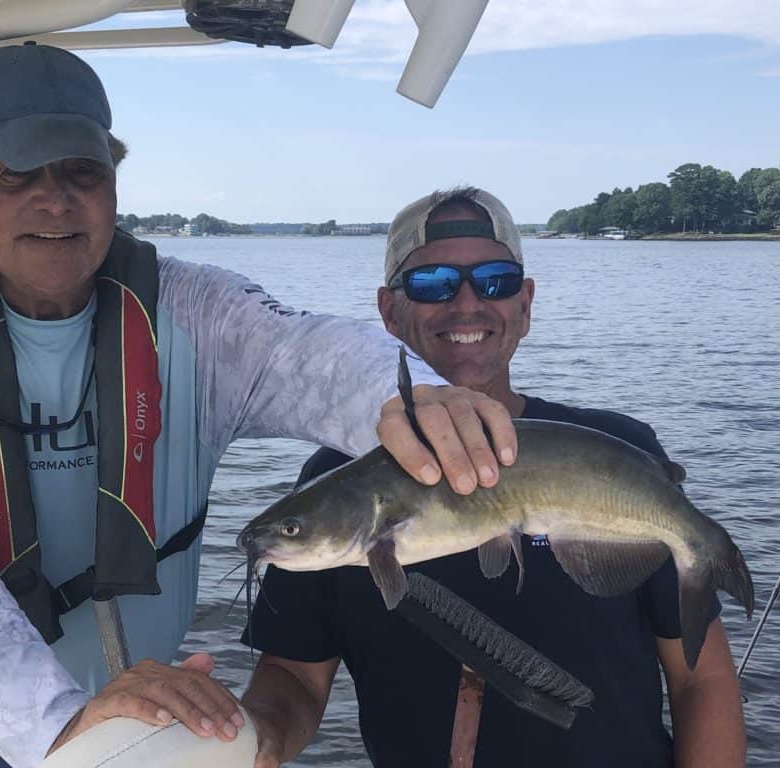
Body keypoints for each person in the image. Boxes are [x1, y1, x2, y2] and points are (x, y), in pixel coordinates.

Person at [0, 45, 518, 768]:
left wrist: (406, 396)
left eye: (82, 171)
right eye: (16, 174)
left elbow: (308, 352)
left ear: (113, 183)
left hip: (144, 739)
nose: (55, 199)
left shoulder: (190, 306)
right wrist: (55, 726)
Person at [240, 186, 747, 768]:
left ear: (525, 304)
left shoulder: (620, 451)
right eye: (431, 284)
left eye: (496, 281)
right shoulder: (334, 477)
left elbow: (700, 677)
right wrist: (255, 738)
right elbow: (292, 677)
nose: (466, 304)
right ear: (388, 311)